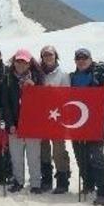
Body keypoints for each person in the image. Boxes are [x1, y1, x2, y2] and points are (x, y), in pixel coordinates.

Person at [69, 48, 104, 206]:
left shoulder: (99, 76)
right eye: (78, 58)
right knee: (80, 155)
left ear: (90, 59)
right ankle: (88, 184)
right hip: (77, 123)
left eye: (84, 58)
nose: (81, 61)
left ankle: (103, 191)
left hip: (95, 123)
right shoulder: (72, 77)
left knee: (96, 156)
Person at [1, 49, 44, 194]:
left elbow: (45, 100)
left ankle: (36, 184)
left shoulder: (38, 77)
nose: (20, 64)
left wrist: (35, 88)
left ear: (29, 63)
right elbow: (5, 103)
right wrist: (10, 124)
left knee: (34, 156)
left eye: (23, 61)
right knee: (16, 155)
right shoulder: (8, 78)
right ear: (14, 62)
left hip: (33, 124)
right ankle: (18, 181)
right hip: (15, 123)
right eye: (18, 61)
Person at [38, 45, 72, 194]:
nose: (48, 57)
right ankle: (46, 179)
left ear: (55, 56)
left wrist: (55, 92)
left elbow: (68, 95)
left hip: (58, 117)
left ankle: (62, 180)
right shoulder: (39, 74)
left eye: (50, 54)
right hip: (42, 116)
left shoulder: (63, 74)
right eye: (45, 55)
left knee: (58, 150)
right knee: (43, 148)